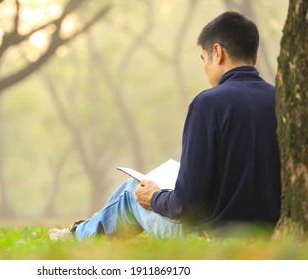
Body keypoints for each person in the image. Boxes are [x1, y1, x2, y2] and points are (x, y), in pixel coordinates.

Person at [48, 11, 281, 241]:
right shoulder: (281, 101)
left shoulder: (208, 104)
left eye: (203, 57)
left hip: (211, 235)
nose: (204, 66)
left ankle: (76, 236)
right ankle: (84, 233)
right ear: (255, 57)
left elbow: (188, 203)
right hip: (270, 232)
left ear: (217, 53)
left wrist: (154, 197)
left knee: (132, 190)